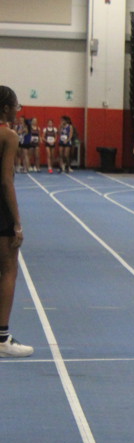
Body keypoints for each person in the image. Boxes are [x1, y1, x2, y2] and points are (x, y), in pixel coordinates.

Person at [0, 86, 33, 357]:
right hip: (0, 210)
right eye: (16, 106)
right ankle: (2, 338)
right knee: (8, 269)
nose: (17, 111)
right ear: (6, 109)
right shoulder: (9, 135)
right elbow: (6, 180)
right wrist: (17, 223)